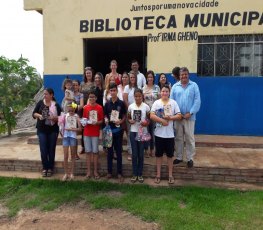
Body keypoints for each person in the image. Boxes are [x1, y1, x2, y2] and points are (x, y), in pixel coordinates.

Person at [150, 85, 182, 184]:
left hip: (170, 135)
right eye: (163, 91)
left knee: (170, 156)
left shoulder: (173, 103)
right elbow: (151, 115)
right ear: (160, 92)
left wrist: (170, 118)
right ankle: (158, 175)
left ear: (169, 92)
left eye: (166, 91)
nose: (164, 93)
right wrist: (162, 121)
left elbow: (179, 115)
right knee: (158, 155)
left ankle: (170, 175)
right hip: (159, 134)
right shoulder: (156, 103)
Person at [170, 67, 201, 168]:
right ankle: (179, 157)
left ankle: (190, 158)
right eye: (182, 75)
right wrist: (176, 114)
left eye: (185, 74)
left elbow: (197, 101)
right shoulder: (175, 87)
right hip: (178, 118)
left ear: (188, 75)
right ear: (179, 76)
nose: (183, 76)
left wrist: (191, 113)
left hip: (189, 118)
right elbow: (171, 102)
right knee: (178, 138)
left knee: (189, 138)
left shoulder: (194, 86)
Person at [32, 88, 61, 177]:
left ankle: (51, 168)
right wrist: (40, 115)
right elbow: (33, 113)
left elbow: (61, 117)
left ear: (51, 95)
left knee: (51, 149)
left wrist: (54, 118)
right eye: (44, 94)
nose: (44, 95)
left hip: (53, 130)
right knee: (43, 149)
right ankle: (45, 167)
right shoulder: (40, 103)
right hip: (42, 130)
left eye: (46, 94)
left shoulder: (56, 105)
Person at [104, 83, 126, 182]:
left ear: (117, 91)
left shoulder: (121, 103)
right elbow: (105, 115)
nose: (113, 92)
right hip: (109, 131)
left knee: (118, 152)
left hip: (118, 131)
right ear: (109, 92)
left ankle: (120, 173)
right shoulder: (107, 104)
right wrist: (105, 119)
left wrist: (120, 121)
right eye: (111, 91)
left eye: (114, 90)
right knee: (109, 152)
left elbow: (124, 116)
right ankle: (109, 172)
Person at [128, 88, 150, 183]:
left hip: (142, 132)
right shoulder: (131, 107)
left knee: (141, 154)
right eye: (136, 96)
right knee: (134, 154)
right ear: (134, 97)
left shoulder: (146, 107)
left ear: (142, 97)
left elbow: (149, 119)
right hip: (133, 132)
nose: (137, 98)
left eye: (139, 96)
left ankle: (140, 174)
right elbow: (128, 118)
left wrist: (146, 123)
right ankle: (134, 173)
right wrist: (130, 121)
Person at [83, 89, 104, 179]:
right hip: (87, 132)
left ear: (96, 98)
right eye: (90, 97)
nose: (91, 98)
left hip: (95, 132)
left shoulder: (99, 108)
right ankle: (88, 172)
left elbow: (102, 120)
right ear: (88, 97)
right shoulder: (85, 108)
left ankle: (95, 171)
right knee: (88, 152)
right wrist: (84, 122)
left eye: (93, 97)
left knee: (95, 152)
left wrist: (97, 123)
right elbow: (83, 120)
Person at [61, 102, 82, 181]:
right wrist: (62, 131)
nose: (70, 111)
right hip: (66, 137)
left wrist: (74, 129)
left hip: (73, 137)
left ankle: (72, 173)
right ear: (67, 109)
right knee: (65, 156)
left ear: (74, 109)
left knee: (73, 156)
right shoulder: (64, 116)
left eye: (72, 110)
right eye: (69, 110)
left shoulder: (76, 116)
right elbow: (61, 126)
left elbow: (80, 129)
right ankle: (66, 173)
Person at [142, 70, 160, 157]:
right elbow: (141, 100)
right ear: (146, 78)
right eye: (148, 77)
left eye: (151, 77)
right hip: (145, 113)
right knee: (146, 131)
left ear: (153, 78)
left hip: (154, 113)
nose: (150, 78)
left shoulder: (157, 88)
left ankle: (152, 149)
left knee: (152, 132)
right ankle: (146, 150)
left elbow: (159, 100)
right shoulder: (143, 88)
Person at [79, 66, 95, 154]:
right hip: (83, 108)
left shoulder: (94, 84)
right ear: (85, 74)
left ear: (92, 74)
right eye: (87, 73)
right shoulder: (82, 84)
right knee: (83, 127)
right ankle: (83, 146)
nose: (88, 74)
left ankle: (92, 146)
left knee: (91, 125)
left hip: (92, 108)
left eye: (90, 73)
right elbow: (79, 95)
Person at [123, 71, 138, 160]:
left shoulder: (138, 87)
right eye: (131, 77)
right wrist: (131, 109)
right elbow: (125, 99)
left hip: (137, 112)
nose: (132, 79)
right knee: (130, 133)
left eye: (134, 77)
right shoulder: (126, 88)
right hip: (129, 112)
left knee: (136, 131)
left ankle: (136, 151)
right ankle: (130, 152)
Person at [72, 79, 84, 160]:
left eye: (76, 85)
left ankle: (81, 150)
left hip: (79, 116)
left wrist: (73, 105)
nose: (75, 86)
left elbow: (81, 106)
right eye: (74, 85)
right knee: (73, 136)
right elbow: (66, 105)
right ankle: (74, 154)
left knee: (79, 134)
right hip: (71, 117)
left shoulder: (81, 95)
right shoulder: (69, 94)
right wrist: (76, 105)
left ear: (79, 86)